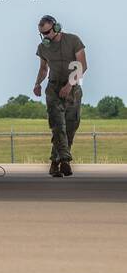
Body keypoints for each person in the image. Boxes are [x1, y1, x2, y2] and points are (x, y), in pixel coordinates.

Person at [32, 15, 87, 177]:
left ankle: (54, 163)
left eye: (48, 32)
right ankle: (65, 161)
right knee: (58, 126)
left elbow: (82, 66)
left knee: (71, 126)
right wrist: (37, 84)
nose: (45, 36)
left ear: (56, 28)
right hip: (54, 88)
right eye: (42, 33)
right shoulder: (43, 47)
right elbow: (43, 69)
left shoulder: (73, 40)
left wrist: (70, 84)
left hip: (73, 88)